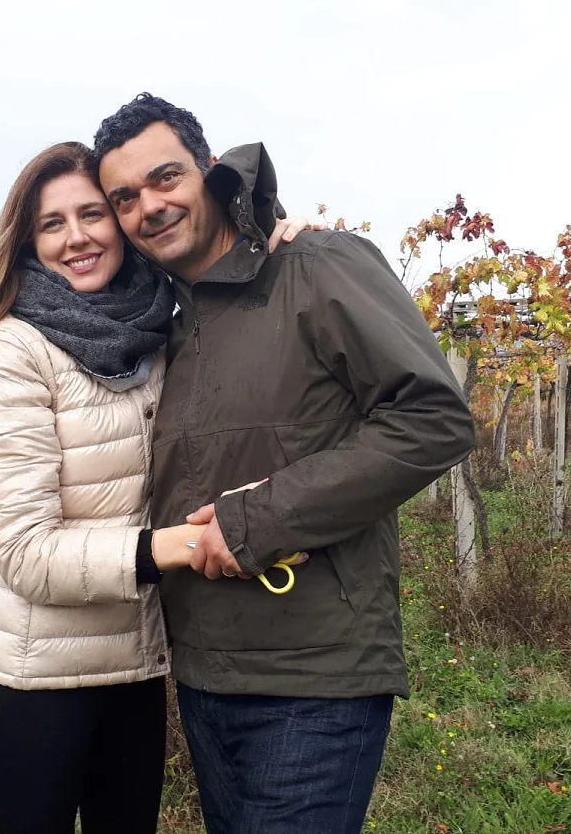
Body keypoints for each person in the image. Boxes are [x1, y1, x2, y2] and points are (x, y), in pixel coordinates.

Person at [90, 94, 477, 833]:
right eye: (126, 198)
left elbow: (433, 417)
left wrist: (258, 519)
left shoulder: (315, 267)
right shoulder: (164, 328)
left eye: (165, 177)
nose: (150, 206)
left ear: (208, 172)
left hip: (315, 679)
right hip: (204, 675)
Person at [0, 141, 313, 834]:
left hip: (135, 662)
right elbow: (29, 554)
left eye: (93, 214)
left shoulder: (160, 329)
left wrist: (286, 248)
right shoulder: (10, 350)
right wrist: (186, 544)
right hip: (35, 673)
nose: (77, 237)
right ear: (26, 241)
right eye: (51, 223)